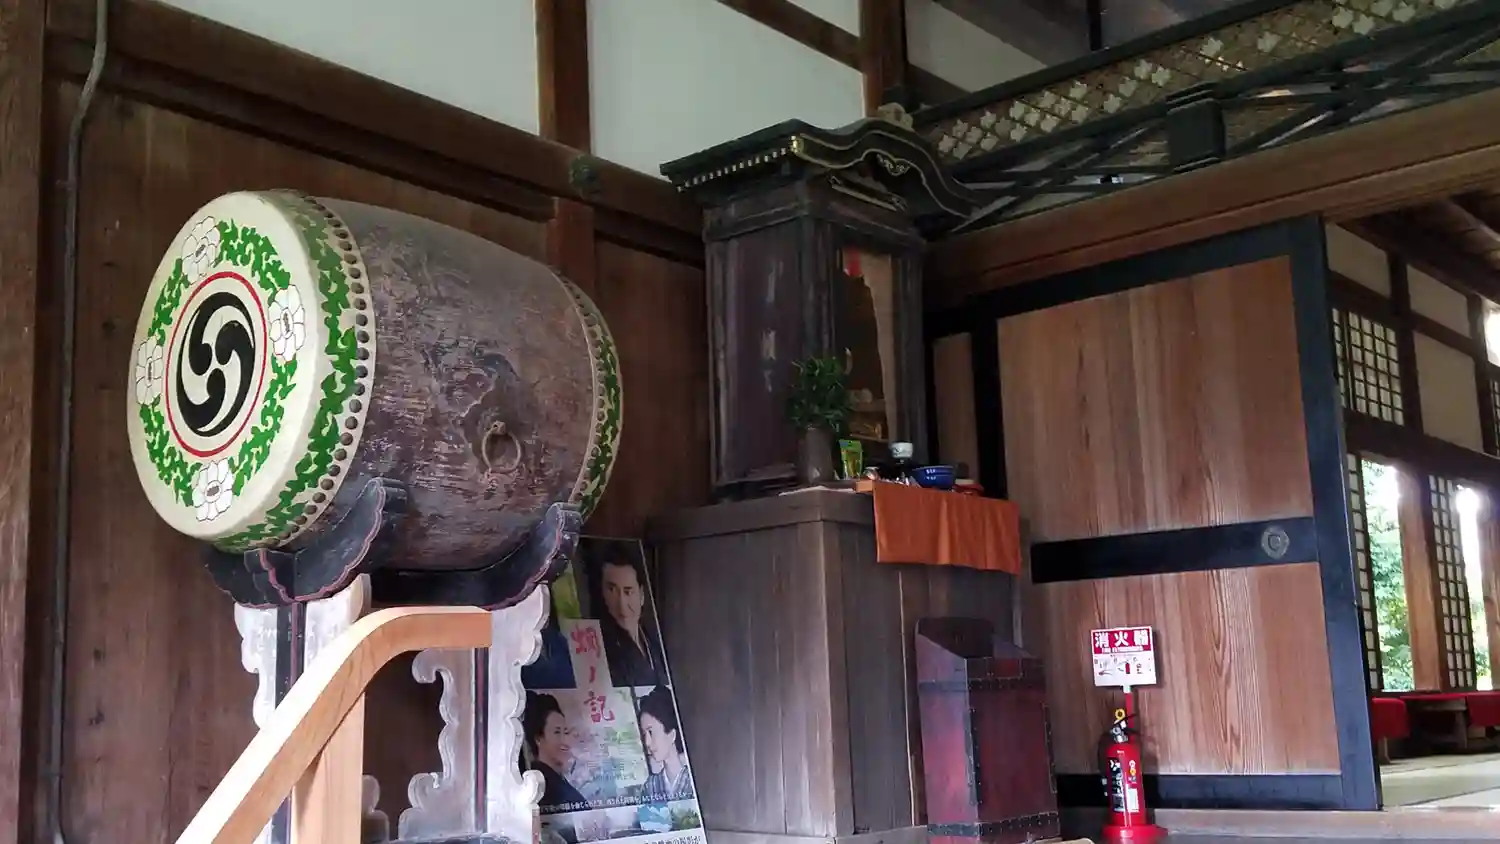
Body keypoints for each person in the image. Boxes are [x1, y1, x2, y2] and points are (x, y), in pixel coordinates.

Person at [592, 548, 665, 686]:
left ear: (641, 595)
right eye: (612, 590)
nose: (622, 604)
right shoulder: (600, 649)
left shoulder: (654, 642)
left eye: (628, 592)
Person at [523, 691, 587, 811]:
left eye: (565, 732)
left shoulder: (557, 780)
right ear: (538, 738)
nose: (564, 740)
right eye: (557, 732)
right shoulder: (543, 785)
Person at [636, 687, 694, 801]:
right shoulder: (650, 787)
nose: (647, 742)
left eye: (651, 732)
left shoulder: (693, 781)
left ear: (672, 734)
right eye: (644, 734)